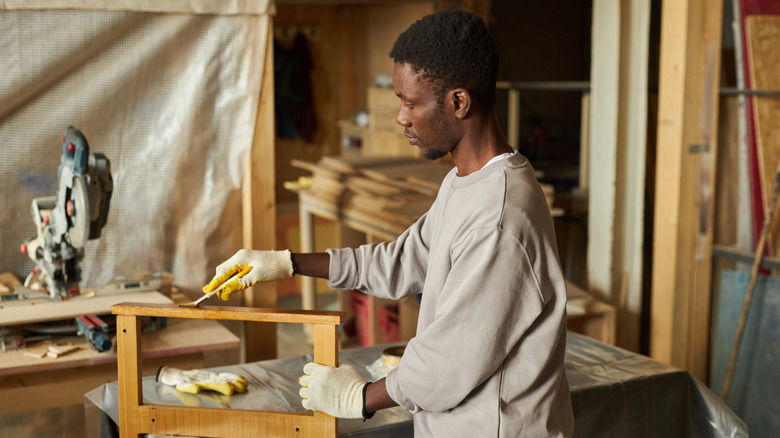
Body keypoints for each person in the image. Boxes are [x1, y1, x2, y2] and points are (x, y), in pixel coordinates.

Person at [204, 9, 574, 437]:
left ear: (458, 102)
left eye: (410, 102)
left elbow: (446, 364)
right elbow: (400, 261)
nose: (401, 117)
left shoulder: (499, 216)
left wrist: (358, 397)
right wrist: (286, 262)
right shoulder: (465, 182)